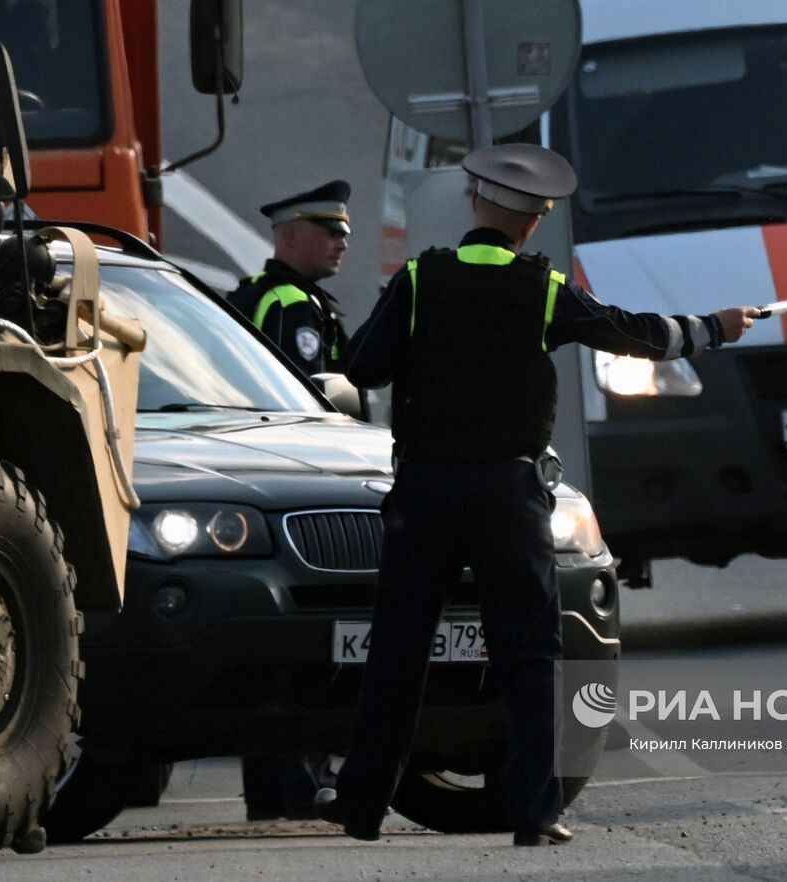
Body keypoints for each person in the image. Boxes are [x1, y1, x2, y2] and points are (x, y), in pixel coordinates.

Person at [321, 143, 759, 846]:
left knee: (398, 649)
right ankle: (533, 813)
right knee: (529, 653)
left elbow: (363, 367)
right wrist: (711, 329)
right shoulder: (543, 290)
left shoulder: (419, 279)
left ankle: (362, 808)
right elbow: (631, 332)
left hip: (425, 491)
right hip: (508, 494)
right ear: (531, 224)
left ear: (474, 203)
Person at [229, 180, 353, 821]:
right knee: (306, 641)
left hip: (265, 481)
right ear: (288, 235)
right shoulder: (287, 304)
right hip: (297, 477)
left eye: (344, 231)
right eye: (328, 229)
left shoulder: (289, 297)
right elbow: (306, 398)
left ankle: (286, 790)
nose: (342, 240)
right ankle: (296, 789)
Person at [227, 180, 352, 375]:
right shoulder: (292, 305)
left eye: (343, 236)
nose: (343, 245)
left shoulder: (251, 290)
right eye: (332, 234)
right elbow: (307, 394)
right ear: (290, 235)